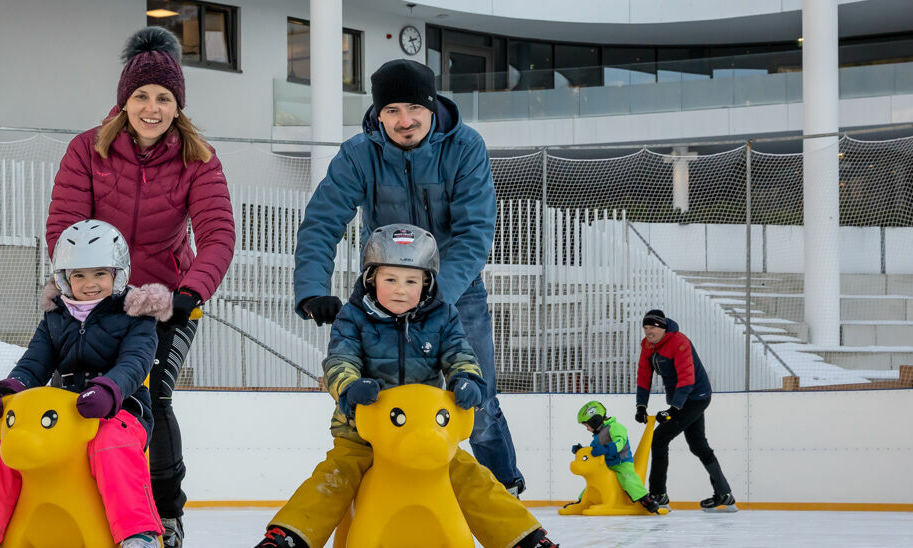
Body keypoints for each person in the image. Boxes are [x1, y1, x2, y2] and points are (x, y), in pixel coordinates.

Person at [290, 58, 526, 495]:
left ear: (432, 107)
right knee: (377, 398)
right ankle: (381, 490)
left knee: (476, 396)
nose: (405, 120)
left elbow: (475, 230)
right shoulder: (360, 153)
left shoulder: (464, 146)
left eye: (414, 109)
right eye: (392, 110)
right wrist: (312, 290)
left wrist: (439, 295)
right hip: (384, 292)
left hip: (456, 292)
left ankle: (505, 490)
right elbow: (323, 220)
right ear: (378, 114)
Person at [45, 26, 236, 547]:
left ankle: (166, 514)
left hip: (165, 300)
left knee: (154, 397)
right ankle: (79, 496)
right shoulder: (87, 149)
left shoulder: (199, 158)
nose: (152, 108)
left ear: (178, 105)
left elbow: (218, 234)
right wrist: (81, 286)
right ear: (124, 100)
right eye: (141, 96)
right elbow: (64, 226)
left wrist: (188, 295)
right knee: (75, 391)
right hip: (96, 298)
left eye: (164, 98)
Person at [256, 224, 557, 548]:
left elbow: (459, 353)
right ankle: (290, 536)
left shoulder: (442, 317)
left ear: (427, 282)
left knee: (471, 476)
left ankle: (525, 539)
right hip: (362, 433)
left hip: (426, 434)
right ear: (371, 279)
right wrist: (349, 388)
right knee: (336, 475)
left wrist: (467, 378)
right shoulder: (353, 318)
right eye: (390, 280)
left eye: (411, 281)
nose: (400, 289)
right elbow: (339, 360)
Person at [0, 220, 177, 548]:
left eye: (100, 274)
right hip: (65, 412)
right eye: (79, 275)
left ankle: (138, 534)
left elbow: (134, 364)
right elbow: (34, 362)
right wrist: (10, 389)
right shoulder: (56, 317)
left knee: (110, 445)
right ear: (64, 278)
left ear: (117, 274)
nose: (90, 284)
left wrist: (109, 390)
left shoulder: (136, 316)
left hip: (122, 409)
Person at [634, 309, 735, 511]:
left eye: (652, 327)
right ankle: (724, 494)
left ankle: (658, 494)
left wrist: (673, 409)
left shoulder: (679, 342)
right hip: (679, 399)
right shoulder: (648, 345)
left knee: (660, 438)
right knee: (698, 445)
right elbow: (644, 374)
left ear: (663, 327)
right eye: (645, 327)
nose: (648, 332)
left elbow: (687, 378)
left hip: (696, 397)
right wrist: (641, 405)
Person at [568, 401, 661, 513]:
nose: (587, 429)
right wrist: (581, 450)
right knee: (593, 482)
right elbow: (592, 452)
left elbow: (620, 442)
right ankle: (581, 501)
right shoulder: (597, 436)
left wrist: (607, 449)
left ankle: (645, 499)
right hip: (607, 465)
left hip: (622, 463)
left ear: (595, 420)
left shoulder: (615, 427)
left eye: (587, 425)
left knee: (627, 479)